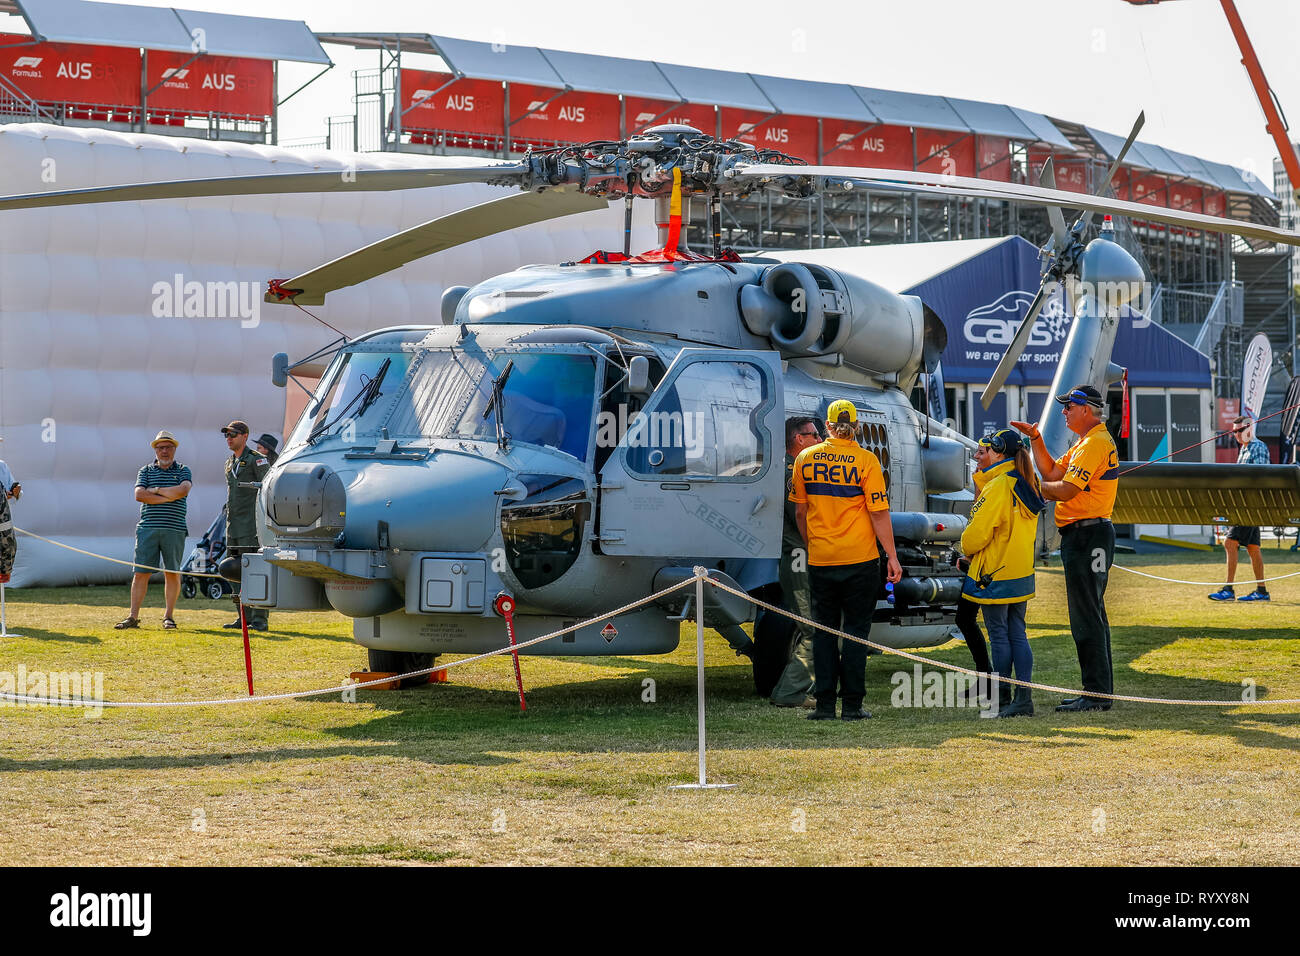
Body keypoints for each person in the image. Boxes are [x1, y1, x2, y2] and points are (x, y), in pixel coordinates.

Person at [789, 399, 902, 721]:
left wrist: (813, 543)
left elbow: (800, 510)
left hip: (822, 559)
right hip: (860, 559)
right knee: (855, 633)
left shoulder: (805, 459)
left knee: (824, 633)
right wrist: (891, 557)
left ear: (827, 426)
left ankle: (824, 705)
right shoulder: (866, 462)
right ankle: (852, 705)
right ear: (857, 427)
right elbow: (879, 513)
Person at [1012, 384, 1118, 713]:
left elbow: (1067, 489)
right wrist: (1036, 439)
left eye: (1068, 407)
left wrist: (1029, 486)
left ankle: (1096, 693)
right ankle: (1098, 691)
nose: (1064, 412)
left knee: (1086, 615)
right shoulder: (1088, 442)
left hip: (1088, 536)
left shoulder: (1094, 443)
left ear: (1085, 408)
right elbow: (1054, 472)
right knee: (1091, 613)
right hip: (1087, 535)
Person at [959, 428, 1043, 718]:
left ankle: (1005, 696)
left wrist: (964, 546)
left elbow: (974, 537)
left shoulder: (998, 486)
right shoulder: (1028, 482)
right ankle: (1022, 697)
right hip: (1020, 571)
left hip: (995, 573)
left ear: (998, 452)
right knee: (1017, 633)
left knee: (999, 635)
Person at [769, 416, 823, 708]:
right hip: (800, 557)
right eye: (813, 435)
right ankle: (790, 693)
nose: (819, 439)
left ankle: (795, 689)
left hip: (798, 557)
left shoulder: (785, 469)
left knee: (814, 627)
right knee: (814, 630)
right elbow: (799, 516)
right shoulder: (793, 472)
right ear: (798, 439)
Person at [115, 431, 192, 630]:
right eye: (160, 447)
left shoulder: (183, 470)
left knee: (172, 573)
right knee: (140, 572)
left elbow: (183, 490)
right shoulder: (145, 471)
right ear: (155, 450)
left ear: (174, 449)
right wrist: (169, 495)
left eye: (168, 447)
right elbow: (139, 494)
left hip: (174, 528)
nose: (164, 451)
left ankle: (168, 617)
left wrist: (155, 491)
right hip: (148, 528)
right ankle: (133, 617)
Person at [1209, 415, 1271, 602]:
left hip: (1250, 507)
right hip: (1244, 506)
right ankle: (1262, 591)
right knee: (1253, 548)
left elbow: (1260, 477)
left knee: (1229, 543)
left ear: (1248, 428)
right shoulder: (1244, 449)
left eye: (1238, 431)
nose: (1235, 435)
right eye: (1233, 432)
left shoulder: (1257, 447)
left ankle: (1228, 590)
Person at [222, 421, 273, 631]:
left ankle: (260, 618)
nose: (229, 438)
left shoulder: (257, 459)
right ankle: (242, 616)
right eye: (226, 435)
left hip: (252, 527)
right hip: (233, 526)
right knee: (234, 573)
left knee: (256, 570)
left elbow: (268, 487)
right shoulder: (230, 461)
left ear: (244, 436)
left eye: (233, 434)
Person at [0, 437, 18, 585]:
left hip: (2, 519)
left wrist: (15, 491)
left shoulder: (2, 466)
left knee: (9, 543)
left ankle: (5, 570)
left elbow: (13, 491)